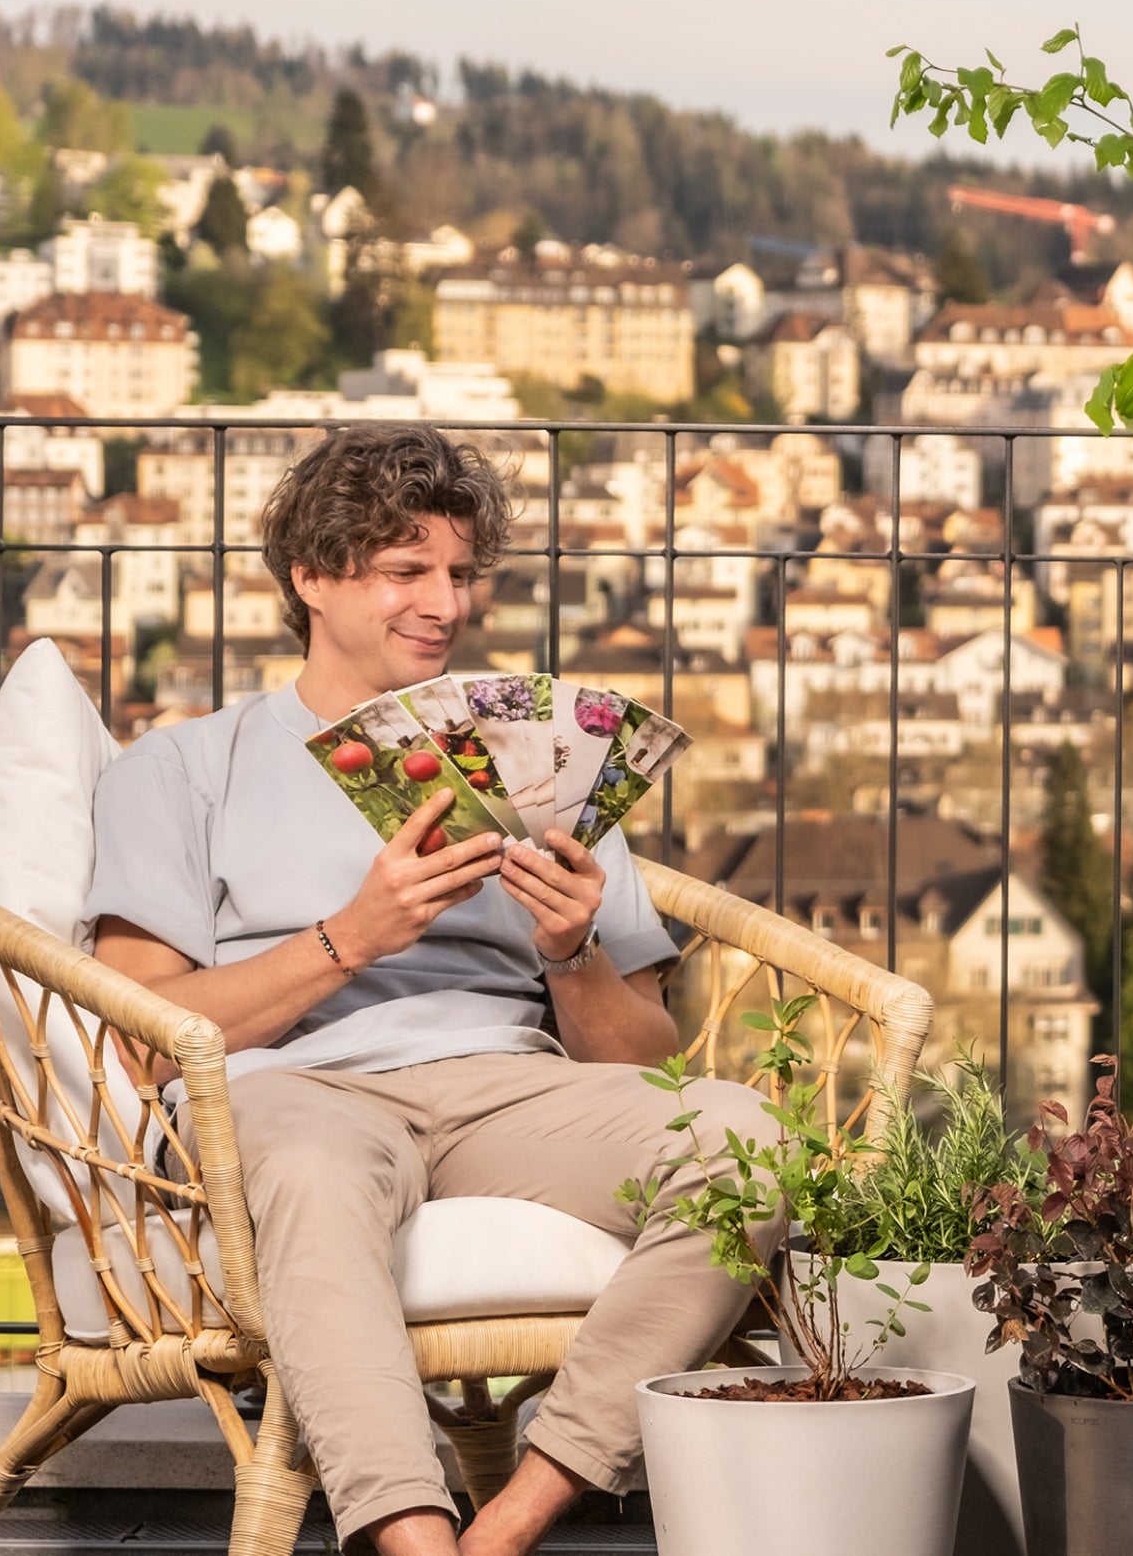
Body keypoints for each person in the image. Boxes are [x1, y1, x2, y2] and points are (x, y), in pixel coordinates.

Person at [88, 424, 772, 1556]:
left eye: (460, 572)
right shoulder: (184, 764)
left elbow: (647, 1062)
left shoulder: (546, 766)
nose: (444, 604)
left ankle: (509, 1523)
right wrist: (352, 936)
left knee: (747, 1144)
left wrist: (573, 951)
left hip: (509, 1088)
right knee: (308, 1171)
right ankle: (410, 1535)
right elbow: (149, 1035)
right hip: (291, 1086)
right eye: (405, 571)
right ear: (311, 577)